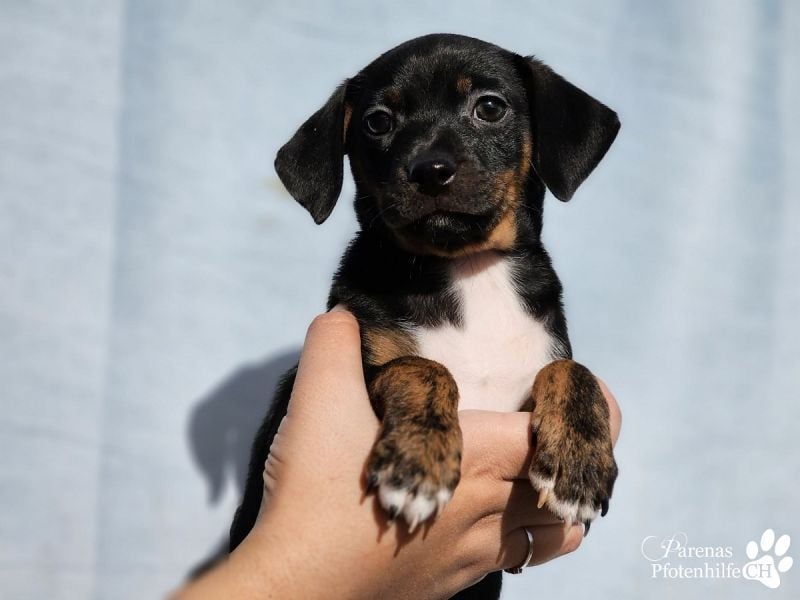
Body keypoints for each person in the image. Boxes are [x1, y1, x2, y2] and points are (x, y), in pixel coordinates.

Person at [174, 309, 622, 599]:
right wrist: (312, 570)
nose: (433, 167)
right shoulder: (369, 310)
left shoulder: (536, 323)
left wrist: (574, 409)